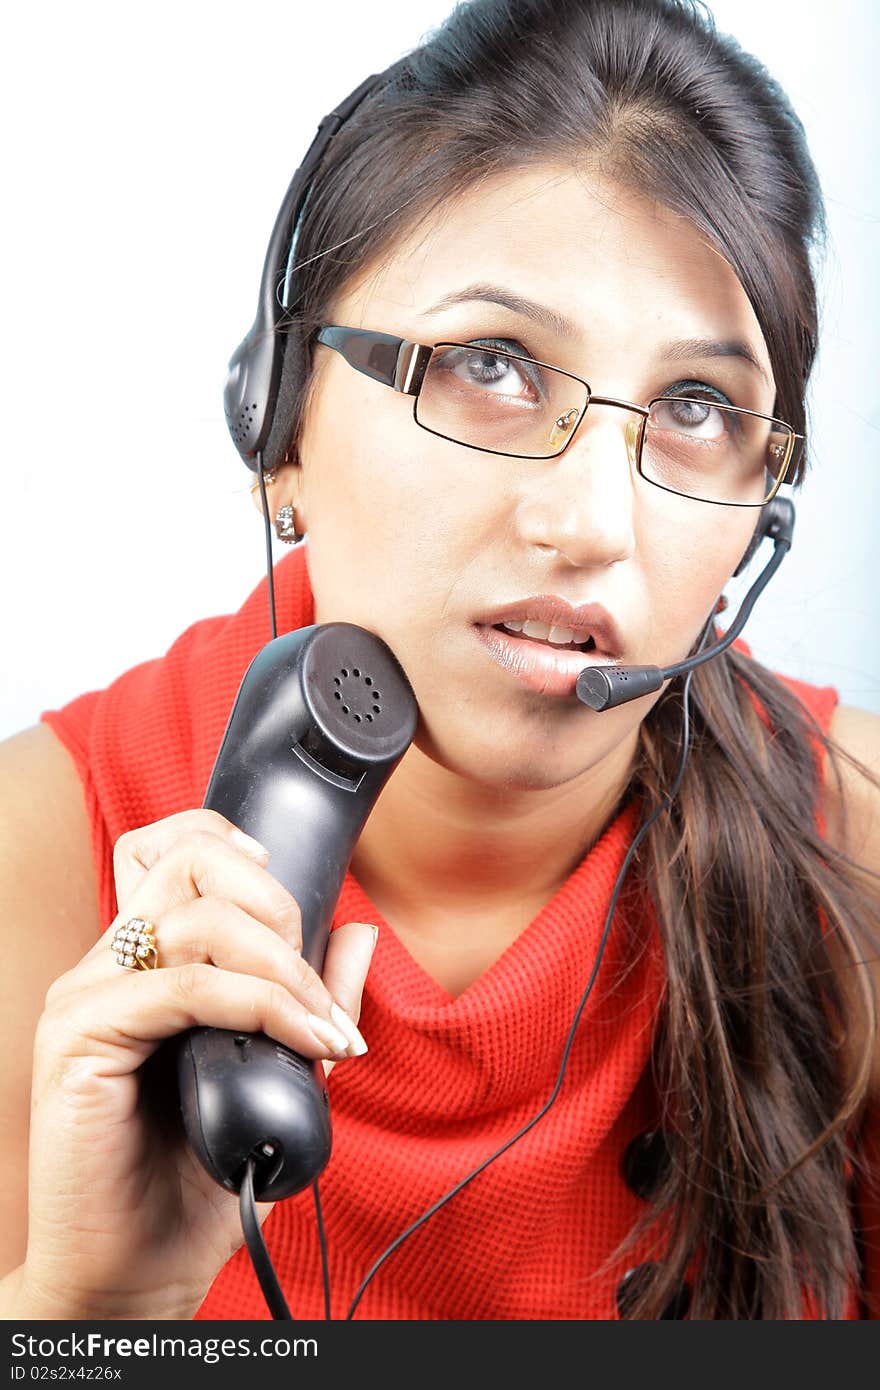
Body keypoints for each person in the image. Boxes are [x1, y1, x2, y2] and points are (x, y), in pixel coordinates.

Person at [1, 0, 879, 1322]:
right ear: (279, 420)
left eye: (698, 410)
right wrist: (88, 1310)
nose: (591, 525)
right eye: (490, 364)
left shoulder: (854, 844)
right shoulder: (42, 850)